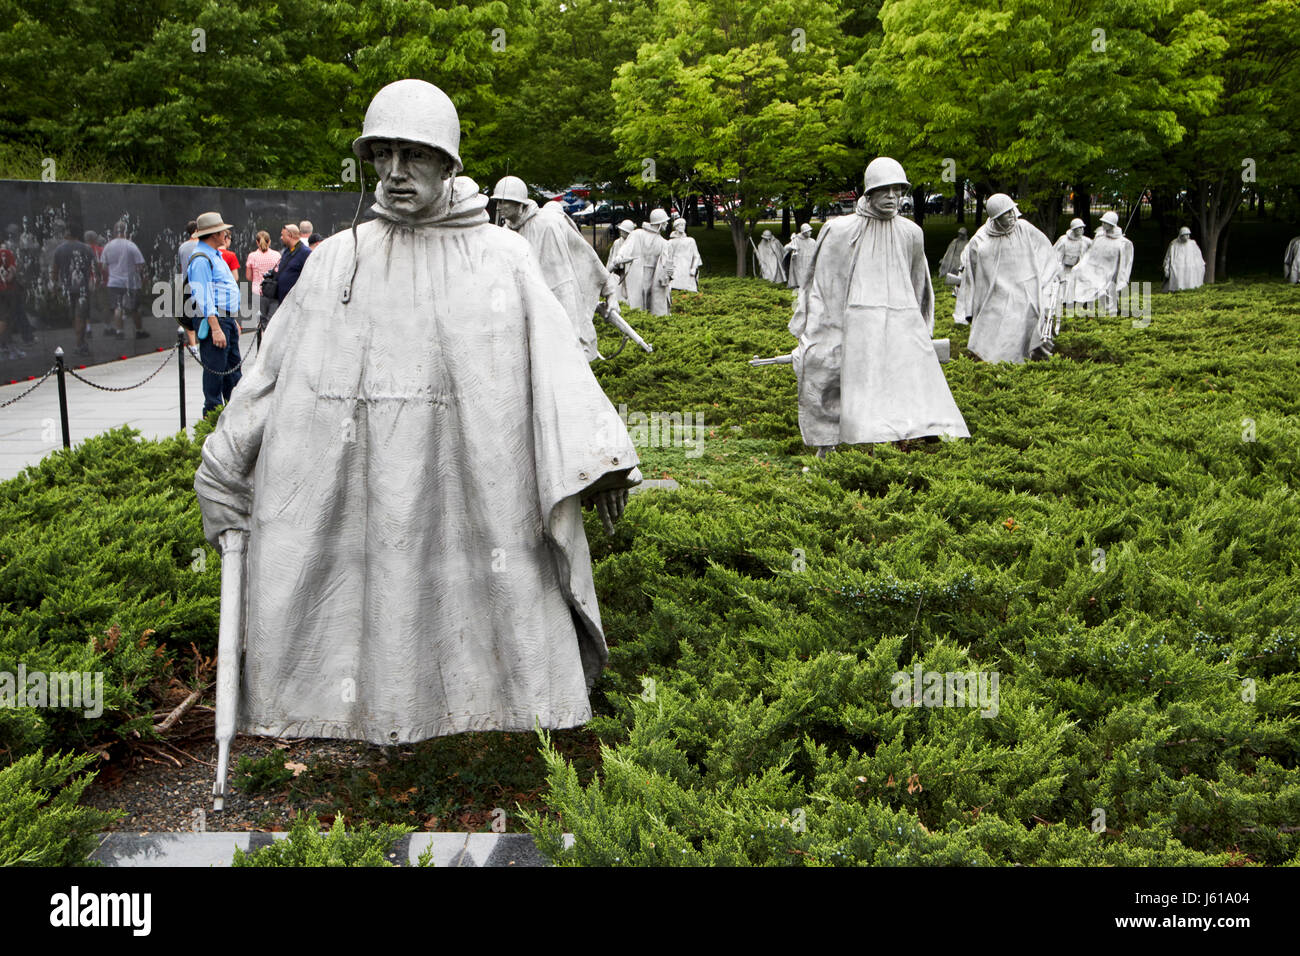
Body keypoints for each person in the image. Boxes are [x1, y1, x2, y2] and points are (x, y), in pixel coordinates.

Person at [193, 79, 640, 747]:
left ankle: (500, 716)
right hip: (362, 485)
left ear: (449, 163)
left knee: (488, 592)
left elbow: (559, 371)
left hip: (481, 491)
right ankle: (347, 714)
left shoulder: (502, 257)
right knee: (368, 595)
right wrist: (224, 463)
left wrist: (601, 460)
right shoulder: (337, 261)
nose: (397, 174)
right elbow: (270, 374)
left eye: (417, 155)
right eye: (384, 155)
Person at [790, 157, 968, 455]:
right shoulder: (841, 230)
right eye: (885, 191)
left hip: (898, 322)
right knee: (829, 375)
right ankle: (827, 447)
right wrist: (823, 331)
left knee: (898, 384)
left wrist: (918, 331)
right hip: (850, 321)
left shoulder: (911, 233)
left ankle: (894, 444)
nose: (892, 197)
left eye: (898, 191)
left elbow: (918, 287)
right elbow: (825, 287)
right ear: (869, 193)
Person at [492, 175, 627, 361]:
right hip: (525, 305)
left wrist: (610, 292)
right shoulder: (505, 232)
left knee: (565, 352)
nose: (498, 207)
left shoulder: (548, 223)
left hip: (560, 295)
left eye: (503, 202)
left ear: (519, 203)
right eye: (497, 201)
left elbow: (584, 254)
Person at [958, 193, 1061, 363]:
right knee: (999, 333)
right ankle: (1002, 366)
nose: (1013, 215)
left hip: (1027, 292)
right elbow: (972, 273)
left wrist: (1048, 279)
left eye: (1013, 210)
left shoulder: (1024, 228)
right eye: (1007, 213)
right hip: (997, 295)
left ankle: (1028, 363)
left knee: (1030, 326)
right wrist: (970, 307)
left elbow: (1045, 251)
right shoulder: (981, 241)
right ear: (996, 218)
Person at [186, 212, 243, 415]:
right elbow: (204, 297)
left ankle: (234, 414)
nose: (225, 234)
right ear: (213, 235)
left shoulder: (215, 255)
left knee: (232, 372)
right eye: (222, 231)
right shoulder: (201, 259)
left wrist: (230, 320)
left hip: (225, 319)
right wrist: (216, 327)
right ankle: (212, 417)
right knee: (216, 373)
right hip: (215, 321)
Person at [1070, 210, 1134, 316]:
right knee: (1082, 279)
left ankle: (1110, 314)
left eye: (1106, 223)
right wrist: (1080, 266)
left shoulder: (1123, 243)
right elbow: (1090, 255)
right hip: (1096, 270)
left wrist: (1122, 279)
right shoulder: (1099, 237)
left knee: (1109, 292)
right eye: (1103, 222)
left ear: (1112, 224)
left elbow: (1125, 264)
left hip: (1110, 273)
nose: (1103, 225)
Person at [612, 209, 673, 315]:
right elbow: (627, 247)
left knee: (652, 302)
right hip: (638, 274)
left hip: (654, 276)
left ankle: (650, 321)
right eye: (665, 221)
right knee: (637, 301)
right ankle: (638, 319)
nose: (667, 223)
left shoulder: (664, 243)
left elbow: (666, 263)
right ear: (659, 223)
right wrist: (620, 256)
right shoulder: (638, 234)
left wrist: (669, 271)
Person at [50, 223, 97, 355]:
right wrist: (94, 282)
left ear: (68, 232)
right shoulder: (87, 249)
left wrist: (54, 286)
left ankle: (80, 342)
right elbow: (95, 268)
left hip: (67, 288)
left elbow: (54, 270)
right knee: (80, 315)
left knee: (75, 316)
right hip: (83, 288)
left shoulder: (59, 250)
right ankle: (80, 343)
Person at [99, 221, 149, 339]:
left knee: (118, 307)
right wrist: (142, 277)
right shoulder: (131, 245)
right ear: (126, 231)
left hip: (114, 282)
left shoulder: (108, 246)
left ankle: (119, 331)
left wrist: (112, 273)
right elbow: (140, 264)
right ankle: (139, 330)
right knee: (135, 308)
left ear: (114, 231)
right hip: (131, 282)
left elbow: (103, 265)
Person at [245, 231, 281, 329]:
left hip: (258, 291)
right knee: (271, 322)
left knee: (261, 322)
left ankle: (261, 341)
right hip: (273, 292)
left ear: (257, 242)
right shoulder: (277, 255)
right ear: (269, 241)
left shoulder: (252, 256)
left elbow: (248, 276)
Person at [1053, 218, 1092, 307]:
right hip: (1066, 270)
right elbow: (1057, 258)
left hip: (1079, 270)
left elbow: (1096, 247)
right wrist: (1059, 273)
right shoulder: (1063, 240)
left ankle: (1081, 305)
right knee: (1064, 290)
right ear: (1074, 229)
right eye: (1079, 228)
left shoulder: (1086, 241)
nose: (1082, 230)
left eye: (1082, 228)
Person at [273, 223, 311, 301]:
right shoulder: (286, 251)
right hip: (282, 299)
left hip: (295, 300)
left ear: (290, 235)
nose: (281, 238)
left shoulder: (305, 252)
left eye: (283, 235)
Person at [1162, 226, 1205, 292]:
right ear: (1181, 235)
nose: (1187, 236)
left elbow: (1198, 255)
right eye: (1186, 235)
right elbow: (1168, 257)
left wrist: (1200, 265)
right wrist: (1166, 268)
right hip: (1177, 269)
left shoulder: (1192, 244)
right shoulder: (1174, 244)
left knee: (1190, 283)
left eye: (1188, 234)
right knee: (1178, 284)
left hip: (1190, 268)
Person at [667, 218, 703, 292]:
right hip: (676, 269)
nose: (682, 227)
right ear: (676, 227)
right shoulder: (670, 242)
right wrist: (669, 270)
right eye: (680, 225)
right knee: (675, 288)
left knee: (689, 289)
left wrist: (693, 267)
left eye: (684, 225)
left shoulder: (690, 240)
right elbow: (668, 258)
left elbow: (696, 256)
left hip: (687, 268)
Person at [605, 219, 635, 305]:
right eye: (621, 230)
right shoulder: (617, 243)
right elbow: (612, 258)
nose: (622, 233)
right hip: (617, 272)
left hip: (629, 273)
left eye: (625, 231)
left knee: (628, 293)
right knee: (617, 292)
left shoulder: (633, 243)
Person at [783, 222, 815, 289]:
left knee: (808, 276)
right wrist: (791, 247)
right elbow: (785, 248)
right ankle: (799, 288)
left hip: (808, 262)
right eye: (809, 231)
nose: (810, 232)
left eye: (810, 231)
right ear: (804, 232)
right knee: (800, 276)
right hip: (799, 262)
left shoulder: (812, 241)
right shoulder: (796, 240)